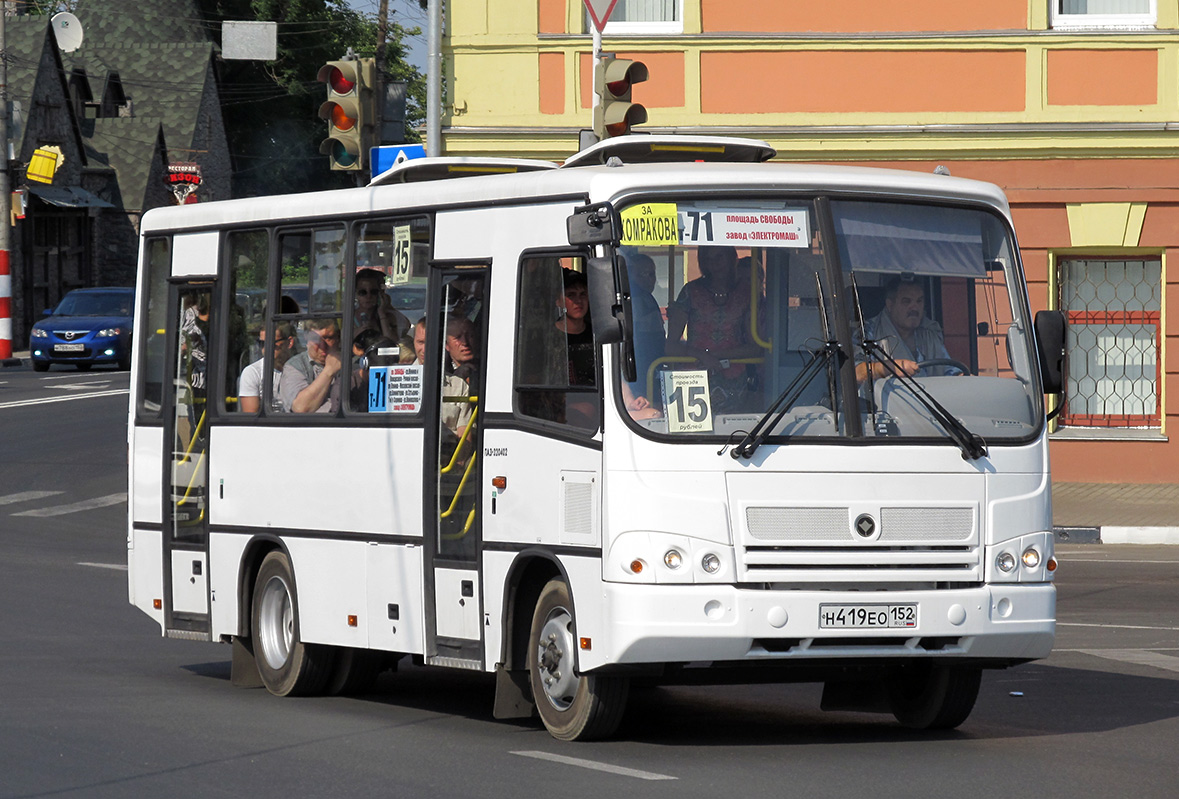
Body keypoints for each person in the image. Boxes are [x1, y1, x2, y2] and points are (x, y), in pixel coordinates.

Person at [665, 245, 761, 410]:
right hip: (692, 376)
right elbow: (670, 346)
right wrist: (701, 356)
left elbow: (755, 347)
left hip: (733, 380)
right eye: (708, 259)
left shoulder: (746, 293)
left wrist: (716, 357)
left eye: (719, 257)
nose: (714, 264)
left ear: (731, 258)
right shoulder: (690, 291)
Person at [855, 275, 959, 382]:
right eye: (906, 301)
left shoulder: (929, 332)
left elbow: (949, 370)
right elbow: (856, 372)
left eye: (919, 301)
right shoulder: (867, 331)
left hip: (929, 398)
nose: (914, 307)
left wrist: (964, 377)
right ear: (890, 305)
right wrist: (891, 367)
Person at [281, 318, 342, 413]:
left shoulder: (350, 364)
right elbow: (300, 408)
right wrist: (329, 371)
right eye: (316, 339)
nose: (322, 346)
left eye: (328, 338)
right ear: (306, 338)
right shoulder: (294, 366)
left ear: (338, 338)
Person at [239, 322, 296, 413]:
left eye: (272, 343)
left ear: (289, 343)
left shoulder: (301, 370)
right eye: (262, 343)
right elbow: (251, 417)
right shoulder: (252, 372)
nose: (266, 348)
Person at [353, 268, 409, 342]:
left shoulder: (390, 316)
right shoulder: (349, 317)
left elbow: (392, 342)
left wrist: (382, 314)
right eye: (363, 292)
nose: (368, 296)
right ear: (356, 294)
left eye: (374, 292)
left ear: (381, 294)